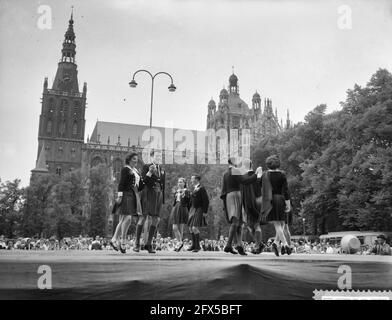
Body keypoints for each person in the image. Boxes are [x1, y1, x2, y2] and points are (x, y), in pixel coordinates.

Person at [220, 157, 261, 255]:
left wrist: (225, 204)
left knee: (239, 223)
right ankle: (228, 245)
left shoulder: (226, 173)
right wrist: (256, 174)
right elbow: (245, 181)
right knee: (236, 221)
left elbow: (223, 191)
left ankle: (239, 245)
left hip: (229, 197)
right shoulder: (235, 171)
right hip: (235, 195)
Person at [110, 153, 144, 254]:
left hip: (134, 194)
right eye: (134, 159)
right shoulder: (126, 169)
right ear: (129, 160)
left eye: (137, 159)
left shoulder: (136, 171)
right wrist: (120, 196)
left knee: (126, 220)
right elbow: (121, 183)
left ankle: (116, 240)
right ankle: (120, 240)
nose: (136, 161)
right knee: (127, 218)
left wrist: (147, 176)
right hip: (126, 194)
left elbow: (141, 186)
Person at [258, 155, 291, 257]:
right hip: (280, 199)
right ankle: (283, 244)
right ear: (278, 164)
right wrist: (288, 204)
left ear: (268, 165)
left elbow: (259, 184)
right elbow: (286, 191)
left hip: (270, 200)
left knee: (278, 225)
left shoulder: (265, 175)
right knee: (281, 223)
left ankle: (280, 244)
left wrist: (259, 173)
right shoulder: (282, 175)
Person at [134, 150, 165, 253]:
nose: (159, 157)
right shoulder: (146, 166)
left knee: (156, 219)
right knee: (143, 218)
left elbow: (162, 185)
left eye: (160, 155)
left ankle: (149, 244)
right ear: (152, 157)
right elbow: (143, 181)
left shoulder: (162, 169)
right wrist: (150, 172)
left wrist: (162, 199)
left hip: (158, 196)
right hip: (148, 194)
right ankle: (137, 244)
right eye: (157, 155)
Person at [239, 159, 265, 254]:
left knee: (250, 226)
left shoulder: (243, 178)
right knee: (254, 225)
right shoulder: (256, 175)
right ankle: (259, 244)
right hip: (258, 201)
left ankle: (258, 245)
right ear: (252, 165)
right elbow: (261, 185)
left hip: (248, 202)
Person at [187, 175, 209, 253]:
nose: (191, 181)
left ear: (196, 179)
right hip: (192, 209)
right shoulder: (193, 188)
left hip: (199, 208)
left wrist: (205, 211)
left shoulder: (201, 188)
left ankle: (197, 246)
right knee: (190, 228)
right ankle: (193, 245)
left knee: (194, 228)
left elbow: (206, 201)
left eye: (192, 179)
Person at [170, 177, 191, 252]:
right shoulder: (176, 191)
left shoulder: (187, 191)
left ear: (184, 183)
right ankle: (180, 243)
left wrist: (184, 195)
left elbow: (188, 200)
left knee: (181, 228)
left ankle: (180, 246)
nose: (179, 183)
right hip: (176, 208)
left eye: (181, 182)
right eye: (178, 182)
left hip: (183, 208)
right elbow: (175, 201)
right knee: (174, 227)